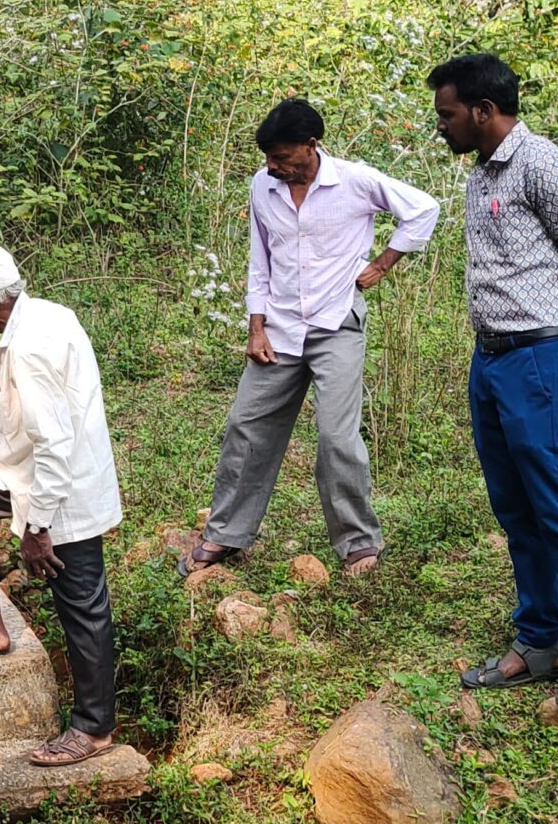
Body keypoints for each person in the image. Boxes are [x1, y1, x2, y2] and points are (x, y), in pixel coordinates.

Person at [428, 53, 558, 711]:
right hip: (491, 362)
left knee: (557, 504)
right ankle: (540, 642)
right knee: (515, 509)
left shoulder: (543, 165)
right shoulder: (482, 172)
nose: (443, 126)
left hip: (541, 362)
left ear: (485, 112)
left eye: (449, 114)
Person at [181, 98, 440, 580]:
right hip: (278, 327)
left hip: (335, 323)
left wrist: (383, 263)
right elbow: (261, 260)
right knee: (246, 425)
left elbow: (424, 209)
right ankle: (225, 533)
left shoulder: (355, 181)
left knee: (335, 437)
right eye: (267, 159)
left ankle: (358, 542)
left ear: (311, 146)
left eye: (281, 157)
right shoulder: (264, 186)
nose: (272, 166)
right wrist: (255, 326)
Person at [0, 244, 124, 769]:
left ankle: (94, 728)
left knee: (81, 607)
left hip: (61, 492)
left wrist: (38, 529)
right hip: (29, 476)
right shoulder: (42, 315)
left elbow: (55, 444)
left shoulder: (31, 347)